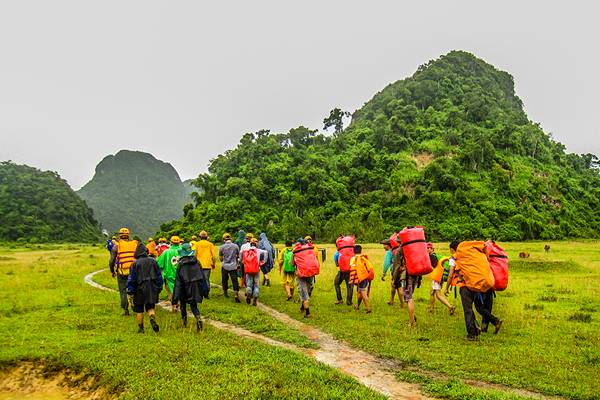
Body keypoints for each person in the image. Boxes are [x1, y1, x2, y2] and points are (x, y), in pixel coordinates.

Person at [444, 240, 503, 341]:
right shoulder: (471, 255)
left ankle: (472, 334)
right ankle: (478, 328)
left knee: (468, 310)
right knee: (471, 308)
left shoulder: (454, 258)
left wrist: (446, 287)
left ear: (453, 249)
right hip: (474, 285)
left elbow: (450, 274)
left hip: (464, 286)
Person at [127, 242, 163, 333]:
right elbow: (159, 275)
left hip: (139, 288)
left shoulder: (135, 263)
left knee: (139, 309)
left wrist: (130, 291)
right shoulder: (153, 261)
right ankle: (152, 317)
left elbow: (132, 279)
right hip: (151, 287)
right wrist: (159, 287)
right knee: (150, 307)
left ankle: (141, 328)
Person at [172, 243, 205, 332]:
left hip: (184, 287)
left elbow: (178, 282)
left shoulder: (181, 264)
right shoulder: (197, 262)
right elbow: (202, 276)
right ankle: (198, 318)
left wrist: (175, 299)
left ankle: (184, 322)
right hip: (195, 286)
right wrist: (204, 290)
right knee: (194, 305)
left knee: (183, 305)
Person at [109, 228, 138, 316]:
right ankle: (135, 304)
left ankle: (126, 310)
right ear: (129, 235)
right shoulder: (134, 245)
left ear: (119, 236)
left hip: (121, 271)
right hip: (133, 271)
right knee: (134, 288)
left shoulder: (116, 246)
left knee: (122, 290)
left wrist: (112, 271)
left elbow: (111, 261)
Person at [289, 238, 320, 318]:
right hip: (311, 273)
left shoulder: (296, 252)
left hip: (301, 274)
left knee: (303, 292)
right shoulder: (310, 249)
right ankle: (303, 307)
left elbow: (291, 264)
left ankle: (307, 313)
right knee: (307, 288)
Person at [391, 246, 417, 326]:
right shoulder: (413, 247)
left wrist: (394, 278)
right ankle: (413, 316)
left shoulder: (400, 249)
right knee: (410, 296)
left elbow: (397, 264)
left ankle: (412, 322)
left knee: (409, 298)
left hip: (406, 276)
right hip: (415, 275)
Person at [428, 243, 455, 315]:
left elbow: (434, 268)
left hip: (437, 277)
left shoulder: (432, 257)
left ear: (432, 249)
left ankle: (450, 307)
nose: (427, 249)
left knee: (438, 295)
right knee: (432, 292)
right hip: (441, 276)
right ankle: (432, 308)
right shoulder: (435, 256)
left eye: (428, 248)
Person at [157, 236, 183, 310]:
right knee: (180, 289)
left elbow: (159, 263)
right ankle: (179, 302)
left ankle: (174, 305)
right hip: (181, 275)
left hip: (169, 275)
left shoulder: (166, 252)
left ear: (171, 243)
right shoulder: (182, 252)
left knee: (171, 290)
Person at [241, 238, 266, 306]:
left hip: (248, 270)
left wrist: (243, 262)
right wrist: (262, 262)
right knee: (256, 285)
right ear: (256, 244)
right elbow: (265, 252)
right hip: (256, 270)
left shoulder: (246, 251)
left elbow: (241, 255)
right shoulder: (259, 251)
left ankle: (249, 292)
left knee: (249, 284)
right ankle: (255, 298)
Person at [349, 245, 374, 313]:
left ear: (353, 251)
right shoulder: (364, 258)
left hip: (357, 278)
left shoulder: (352, 259)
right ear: (361, 251)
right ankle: (357, 305)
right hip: (363, 277)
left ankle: (368, 308)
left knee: (363, 291)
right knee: (361, 291)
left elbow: (351, 267)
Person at [193, 231, 216, 299]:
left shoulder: (196, 244)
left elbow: (193, 254)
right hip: (207, 265)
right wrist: (213, 263)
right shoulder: (210, 244)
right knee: (206, 279)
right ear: (206, 237)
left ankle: (199, 293)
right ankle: (206, 294)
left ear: (199, 237)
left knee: (198, 279)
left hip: (198, 264)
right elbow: (214, 255)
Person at [381, 238, 403, 308]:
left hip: (395, 270)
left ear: (388, 245)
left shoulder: (389, 252)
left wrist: (384, 273)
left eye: (384, 245)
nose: (384, 246)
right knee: (394, 285)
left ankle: (402, 304)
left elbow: (386, 263)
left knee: (399, 286)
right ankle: (391, 300)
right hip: (400, 269)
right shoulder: (395, 251)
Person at [219, 233, 240, 302]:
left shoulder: (222, 247)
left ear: (224, 240)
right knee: (234, 280)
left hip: (225, 265)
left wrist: (224, 260)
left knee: (225, 279)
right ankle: (236, 292)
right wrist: (234, 258)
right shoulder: (235, 246)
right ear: (230, 239)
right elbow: (238, 255)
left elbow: (220, 258)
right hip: (233, 265)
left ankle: (225, 292)